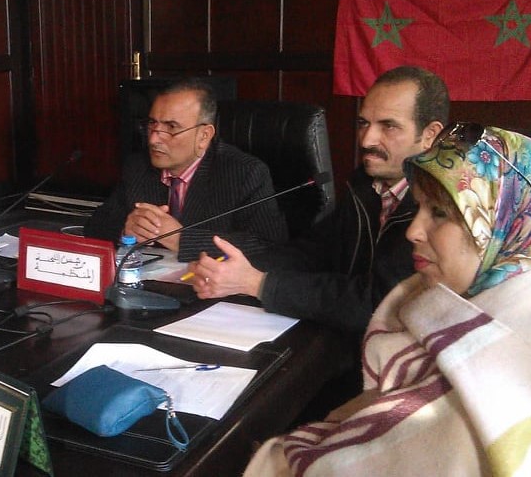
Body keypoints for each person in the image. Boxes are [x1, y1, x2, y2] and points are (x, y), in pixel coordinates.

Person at [243, 124, 531, 475]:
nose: (413, 231)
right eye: (419, 207)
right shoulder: (363, 190)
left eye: (440, 213)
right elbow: (316, 248)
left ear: (507, 222)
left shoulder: (495, 388)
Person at [188, 66, 449, 334]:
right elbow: (315, 250)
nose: (367, 140)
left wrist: (259, 283)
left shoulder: (441, 210)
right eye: (363, 123)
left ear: (430, 135)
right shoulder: (366, 183)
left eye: (389, 126)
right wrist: (234, 268)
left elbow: (378, 304)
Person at [84, 78, 288, 262]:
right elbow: (96, 224)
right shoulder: (138, 166)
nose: (153, 139)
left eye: (171, 127)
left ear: (204, 136)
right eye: (152, 124)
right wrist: (125, 229)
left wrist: (181, 239)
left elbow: (268, 245)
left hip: (211, 287)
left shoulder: (244, 173)